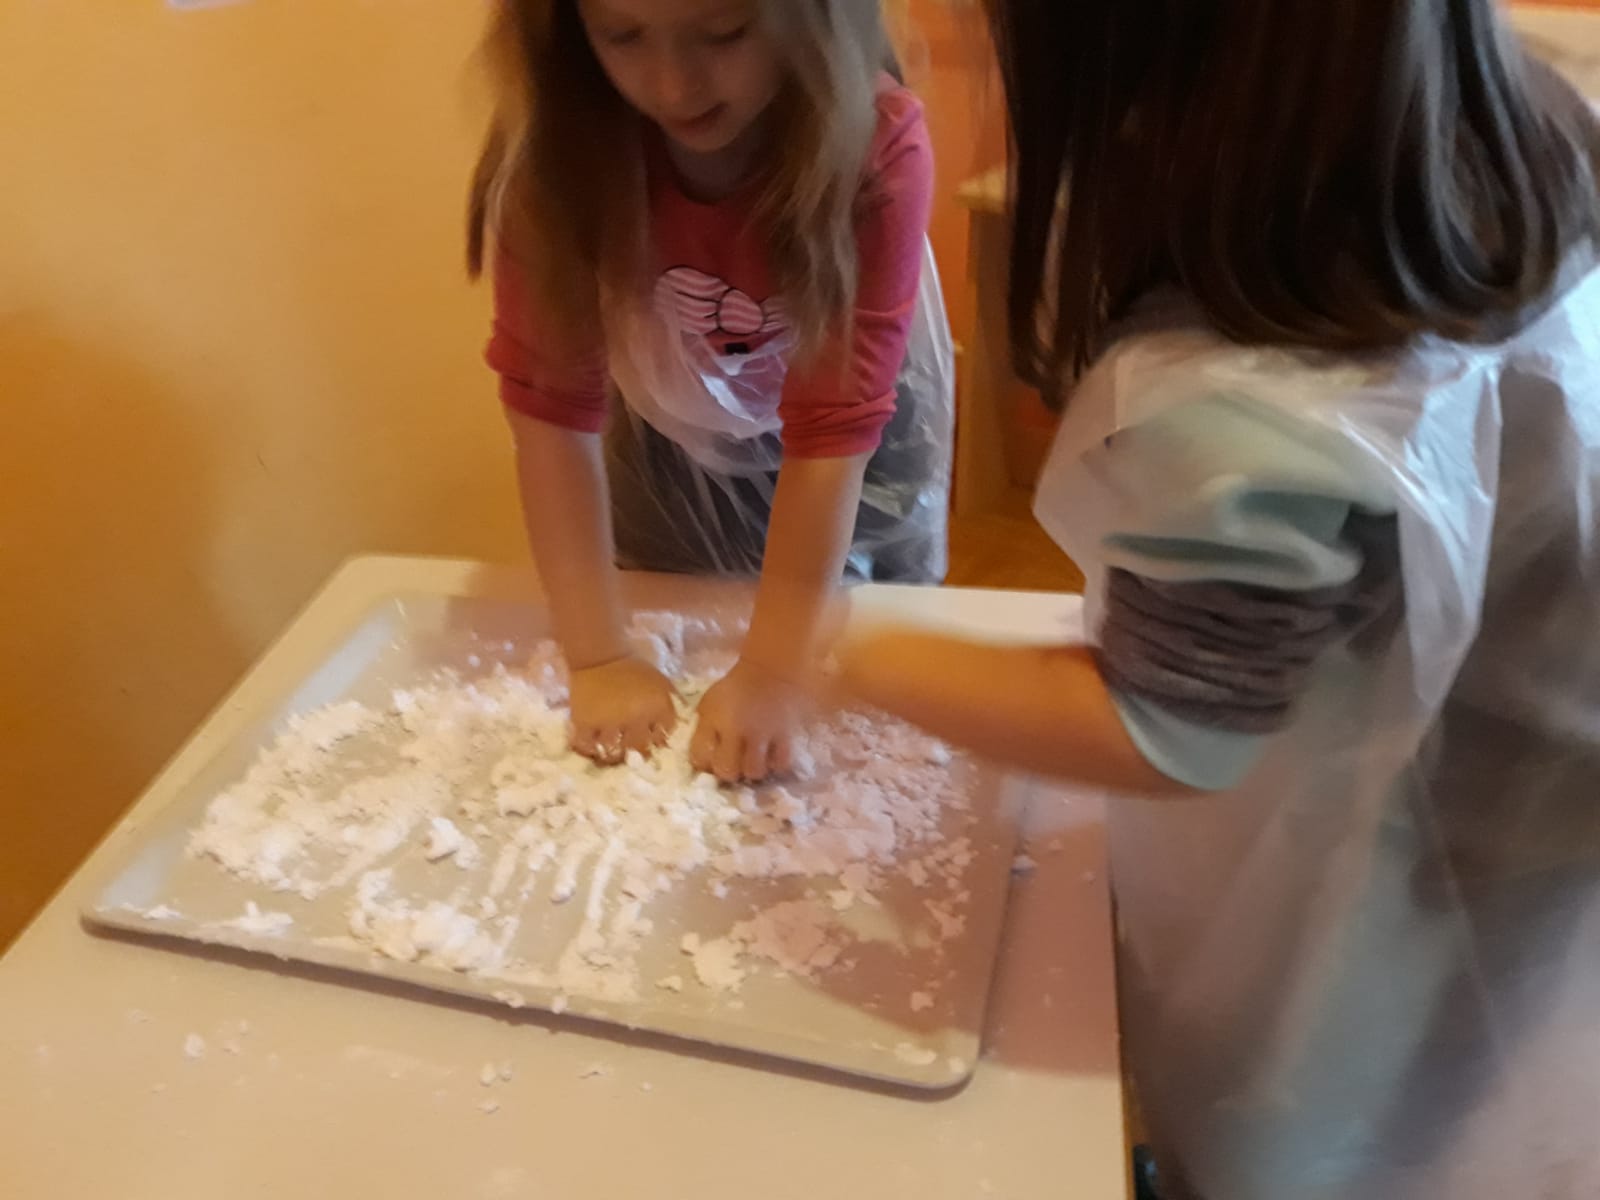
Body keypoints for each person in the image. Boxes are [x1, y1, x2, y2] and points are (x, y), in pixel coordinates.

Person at [826, 2, 1600, 1196]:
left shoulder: (1243, 400)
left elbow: (1167, 729)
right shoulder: (1511, 110)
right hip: (1544, 744)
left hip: (1444, 821)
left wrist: (835, 648)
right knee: (1451, 1075)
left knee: (1306, 1121)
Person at [466, 0, 953, 786]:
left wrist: (774, 671)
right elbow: (550, 408)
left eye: (724, 33)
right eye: (623, 36)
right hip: (665, 444)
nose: (673, 85)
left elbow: (834, 426)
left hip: (859, 456)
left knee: (863, 686)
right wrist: (599, 656)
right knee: (679, 611)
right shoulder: (557, 146)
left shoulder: (873, 144)